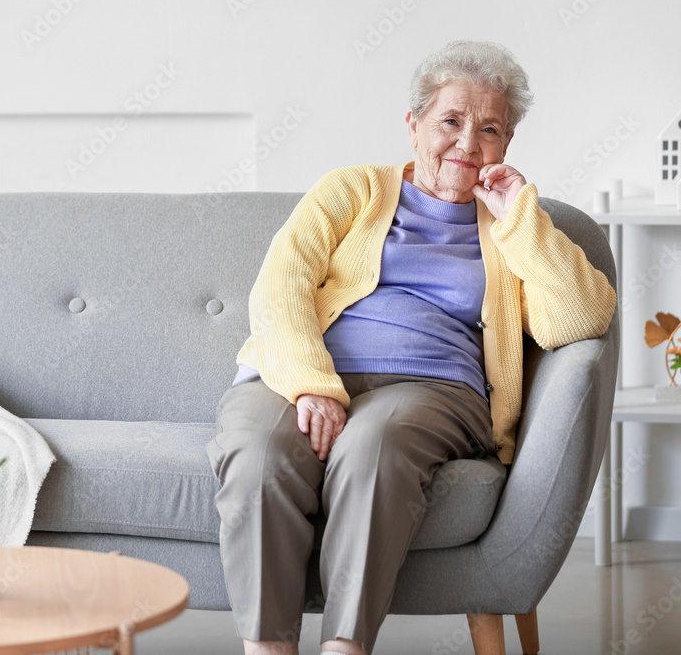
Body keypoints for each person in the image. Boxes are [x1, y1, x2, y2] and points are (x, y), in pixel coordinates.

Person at [205, 40, 616, 655]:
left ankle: (344, 647)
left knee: (374, 445)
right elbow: (280, 287)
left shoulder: (510, 228)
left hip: (435, 390)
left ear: (507, 145)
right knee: (259, 451)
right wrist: (314, 384)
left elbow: (581, 319)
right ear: (414, 125)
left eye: (490, 129)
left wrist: (520, 219)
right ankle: (268, 648)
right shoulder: (350, 191)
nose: (468, 143)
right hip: (308, 372)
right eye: (450, 121)